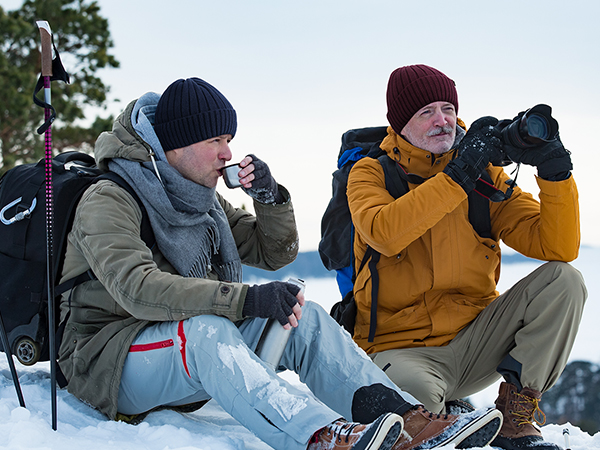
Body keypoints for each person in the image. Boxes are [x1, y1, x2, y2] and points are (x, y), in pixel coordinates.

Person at [57, 77, 502, 450]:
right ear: (175, 145)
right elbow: (137, 287)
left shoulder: (202, 203)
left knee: (298, 313)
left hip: (177, 359)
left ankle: (409, 422)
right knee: (207, 329)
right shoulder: (110, 199)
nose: (227, 154)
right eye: (215, 140)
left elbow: (274, 254)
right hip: (107, 360)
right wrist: (244, 301)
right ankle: (321, 436)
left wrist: (271, 200)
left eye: (228, 140)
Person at [346, 64, 588, 450]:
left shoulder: (485, 175)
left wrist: (556, 175)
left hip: (476, 343)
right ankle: (446, 410)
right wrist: (458, 176)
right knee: (414, 423)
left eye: (447, 107)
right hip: (401, 349)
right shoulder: (370, 174)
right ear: (399, 123)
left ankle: (514, 418)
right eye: (426, 112)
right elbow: (385, 233)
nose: (442, 120)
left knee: (564, 280)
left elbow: (557, 248)